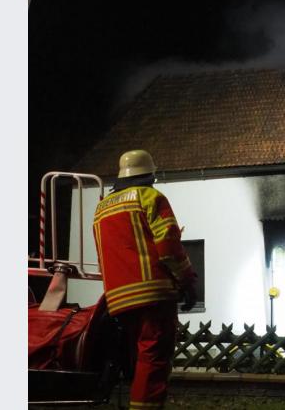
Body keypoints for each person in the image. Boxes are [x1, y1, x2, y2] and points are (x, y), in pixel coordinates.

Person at [92, 150, 197, 410]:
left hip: (117, 300)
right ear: (150, 174)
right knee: (154, 360)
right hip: (153, 294)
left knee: (136, 361)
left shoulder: (101, 209)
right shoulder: (151, 197)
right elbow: (168, 246)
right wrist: (187, 280)